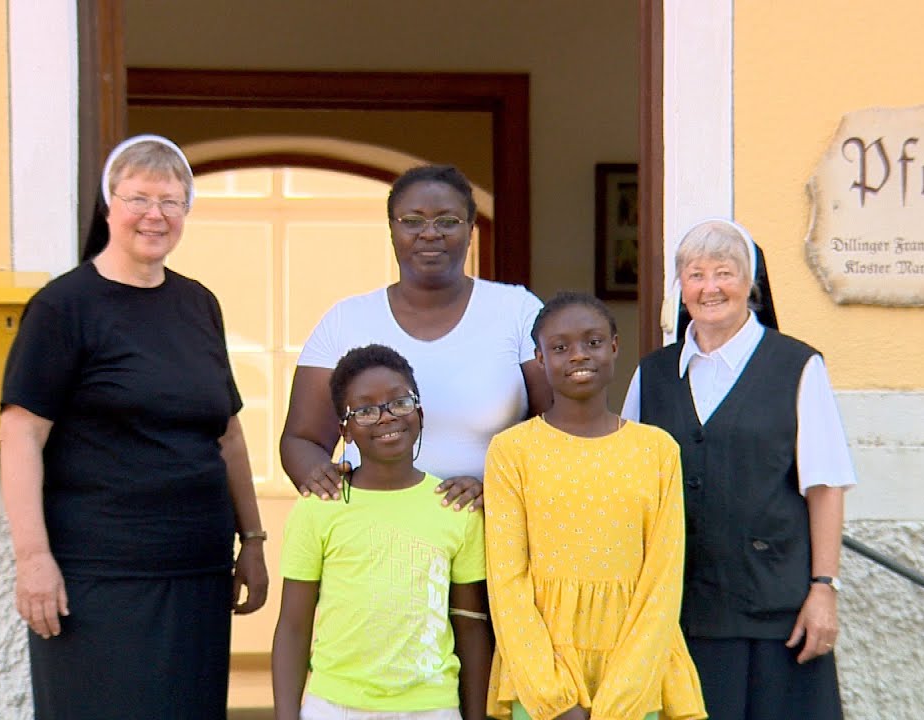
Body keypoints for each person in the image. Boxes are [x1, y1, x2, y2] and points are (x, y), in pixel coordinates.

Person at [0, 134, 269, 719]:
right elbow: (21, 434)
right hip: (99, 576)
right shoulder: (63, 307)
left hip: (197, 571)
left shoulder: (199, 304)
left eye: (171, 201)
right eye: (139, 198)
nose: (155, 215)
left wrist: (252, 540)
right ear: (109, 205)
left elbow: (227, 434)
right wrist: (32, 558)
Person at [622, 219, 857, 720]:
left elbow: (825, 486)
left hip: (776, 615)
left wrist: (824, 588)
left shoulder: (798, 366)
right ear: (680, 287)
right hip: (680, 613)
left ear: (750, 284)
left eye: (724, 273)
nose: (710, 287)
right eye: (695, 274)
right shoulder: (652, 374)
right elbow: (627, 486)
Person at [483, 292, 706, 720]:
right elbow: (507, 581)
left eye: (593, 342)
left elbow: (663, 580)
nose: (578, 355)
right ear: (539, 359)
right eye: (560, 347)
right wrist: (552, 697)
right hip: (542, 673)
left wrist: (623, 696)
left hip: (638, 675)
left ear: (615, 347)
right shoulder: (513, 451)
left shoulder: (657, 450)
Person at [280, 164, 553, 505]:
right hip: (373, 524)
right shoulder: (345, 320)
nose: (430, 233)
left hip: (490, 524)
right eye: (412, 221)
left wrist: (499, 491)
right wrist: (329, 490)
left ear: (470, 229)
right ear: (392, 230)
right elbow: (302, 440)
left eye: (447, 221)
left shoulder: (518, 311)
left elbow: (559, 431)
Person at [272, 344, 491, 720]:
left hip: (432, 707)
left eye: (399, 403)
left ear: (419, 413)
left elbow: (470, 627)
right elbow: (293, 625)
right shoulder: (319, 506)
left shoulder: (454, 507)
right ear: (345, 430)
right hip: (335, 707)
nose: (386, 416)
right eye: (365, 410)